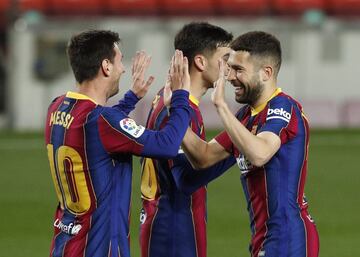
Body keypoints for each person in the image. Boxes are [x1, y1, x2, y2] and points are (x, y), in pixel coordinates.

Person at [45, 29, 192, 257]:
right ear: (106, 66)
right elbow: (167, 144)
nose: (123, 69)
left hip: (65, 245)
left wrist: (131, 97)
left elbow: (98, 136)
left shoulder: (57, 107)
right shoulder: (103, 121)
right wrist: (182, 94)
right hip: (99, 248)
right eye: (120, 61)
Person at [181, 31, 320, 257]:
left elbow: (260, 153)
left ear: (266, 73)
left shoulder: (282, 108)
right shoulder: (246, 115)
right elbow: (204, 156)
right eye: (230, 68)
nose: (229, 76)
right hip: (264, 238)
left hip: (288, 239)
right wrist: (174, 115)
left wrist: (221, 107)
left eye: (238, 70)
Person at [139, 22, 233, 257]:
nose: (229, 67)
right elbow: (186, 179)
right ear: (201, 62)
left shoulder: (169, 98)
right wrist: (237, 145)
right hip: (173, 229)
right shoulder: (180, 110)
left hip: (164, 220)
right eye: (225, 58)